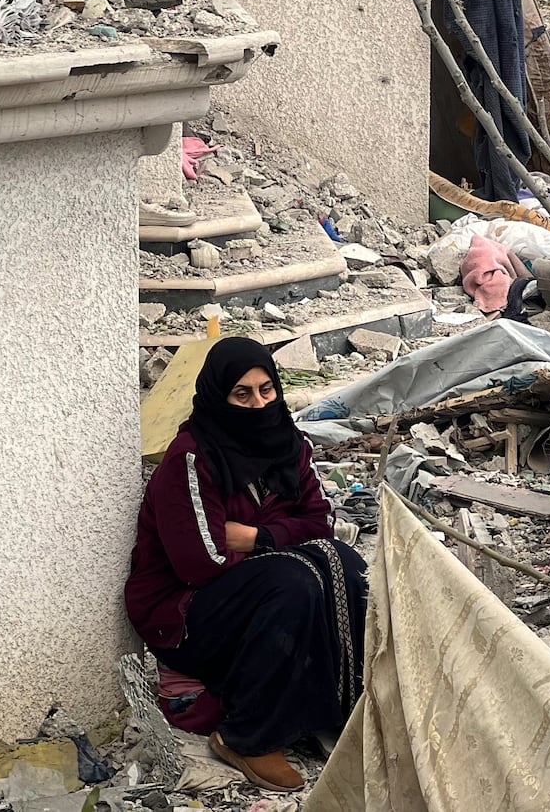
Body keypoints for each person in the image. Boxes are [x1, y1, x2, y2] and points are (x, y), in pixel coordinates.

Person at [124, 338, 366, 793]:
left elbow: (322, 522)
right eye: (242, 394)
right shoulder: (191, 459)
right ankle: (248, 735)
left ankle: (334, 708)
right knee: (294, 581)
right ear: (220, 397)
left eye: (265, 391)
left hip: (243, 582)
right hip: (179, 611)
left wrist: (258, 536)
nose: (257, 404)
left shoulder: (289, 444)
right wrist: (284, 540)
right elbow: (202, 561)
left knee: (345, 564)